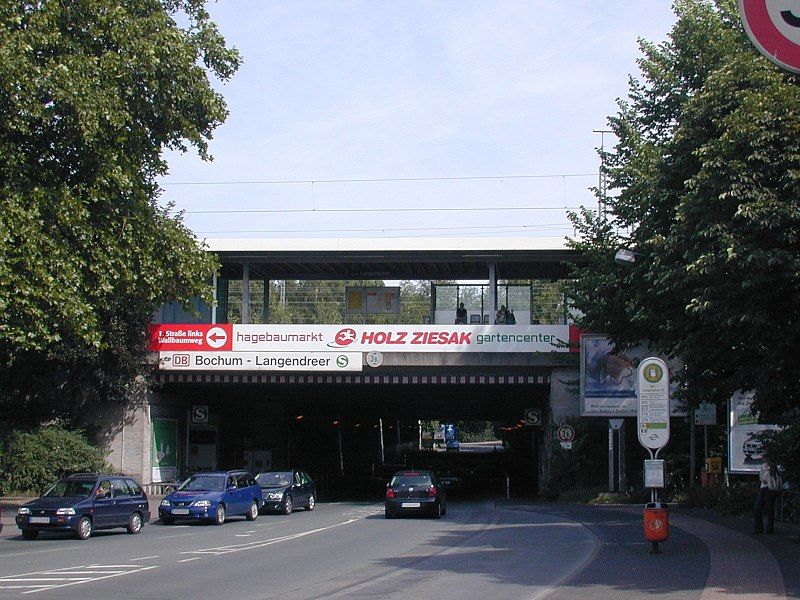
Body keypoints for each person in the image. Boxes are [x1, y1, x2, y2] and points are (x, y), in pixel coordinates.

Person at [754, 459, 780, 533]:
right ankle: (758, 528)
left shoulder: (774, 466)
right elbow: (761, 477)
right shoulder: (763, 466)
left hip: (770, 488)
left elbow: (774, 477)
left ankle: (769, 528)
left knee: (770, 508)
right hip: (763, 488)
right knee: (757, 507)